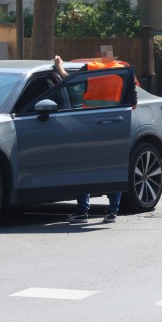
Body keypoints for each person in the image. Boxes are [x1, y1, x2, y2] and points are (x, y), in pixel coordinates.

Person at [53, 55, 123, 223]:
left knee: (84, 167)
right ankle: (112, 211)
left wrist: (59, 65)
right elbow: (132, 101)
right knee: (114, 167)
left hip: (90, 124)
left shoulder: (91, 69)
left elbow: (69, 80)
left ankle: (82, 211)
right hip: (115, 125)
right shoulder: (122, 72)